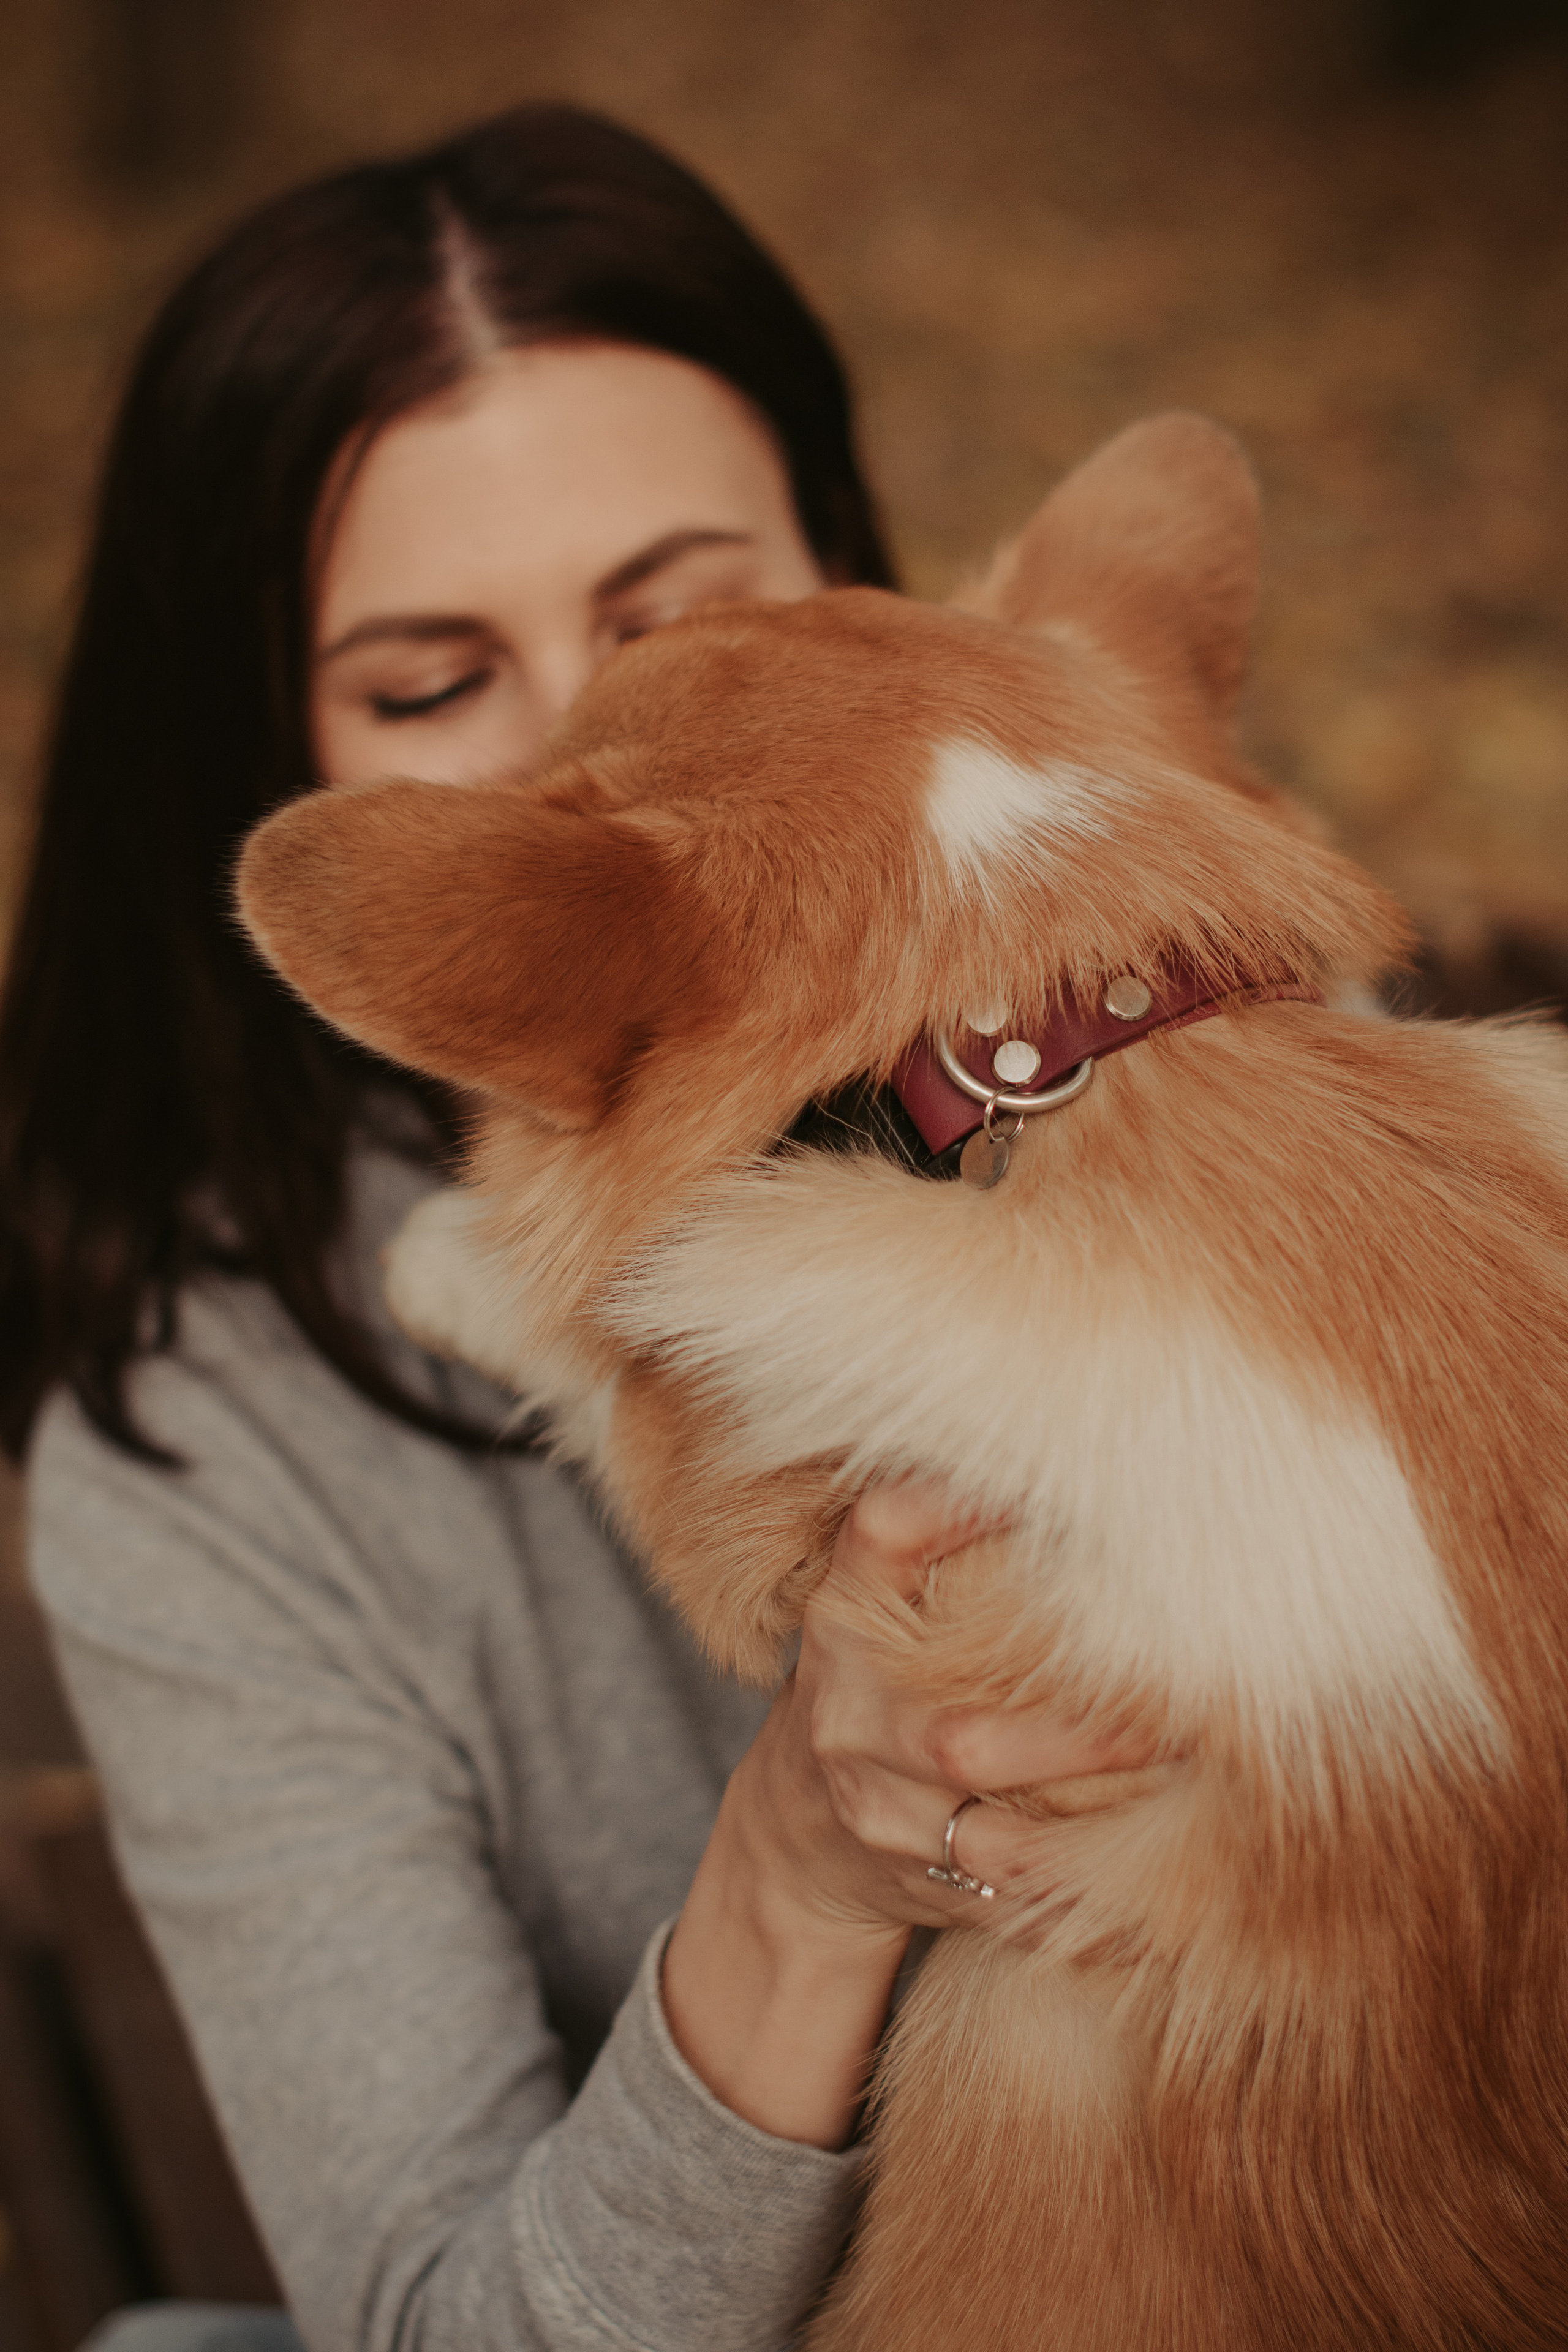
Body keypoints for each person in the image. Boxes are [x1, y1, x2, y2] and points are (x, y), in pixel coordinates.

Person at [0, 106, 1151, 2352]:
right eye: (431, 686)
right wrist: (799, 1870)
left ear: (855, 577)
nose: (590, 773)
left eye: (690, 622)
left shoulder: (1158, 1007)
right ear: (270, 770)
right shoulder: (210, 1454)